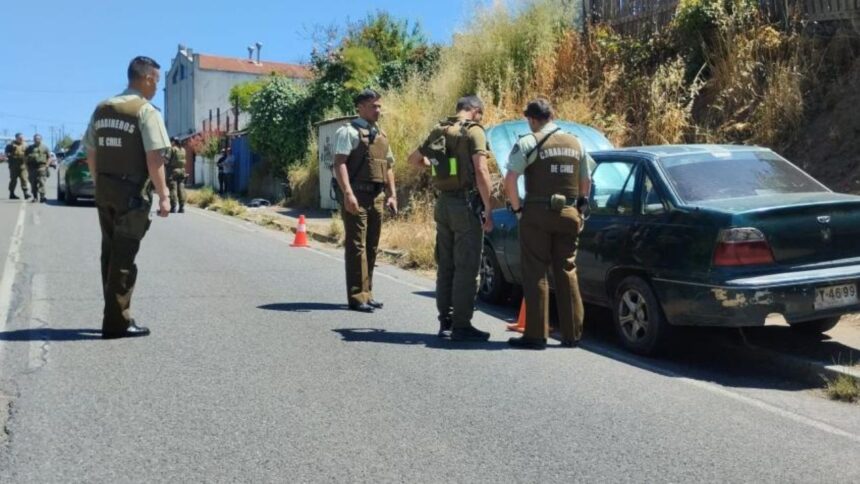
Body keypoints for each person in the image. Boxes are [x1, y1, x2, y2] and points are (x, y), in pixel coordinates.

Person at [83, 55, 172, 339]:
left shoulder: (102, 109)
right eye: (156, 81)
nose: (157, 87)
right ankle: (117, 323)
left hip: (105, 188)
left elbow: (91, 151)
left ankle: (113, 310)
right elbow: (155, 157)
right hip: (131, 193)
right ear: (146, 79)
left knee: (109, 252)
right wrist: (164, 195)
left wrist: (99, 182)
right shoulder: (145, 111)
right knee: (124, 257)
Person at [504, 98, 592, 350]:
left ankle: (536, 335)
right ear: (551, 116)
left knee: (535, 271)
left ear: (532, 119)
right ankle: (572, 334)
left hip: (537, 214)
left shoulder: (529, 142)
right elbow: (585, 181)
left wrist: (518, 208)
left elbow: (511, 181)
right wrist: (581, 205)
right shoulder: (576, 142)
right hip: (569, 213)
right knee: (566, 270)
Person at [407, 95, 494, 341]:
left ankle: (445, 320)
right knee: (466, 266)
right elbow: (481, 170)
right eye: (481, 114)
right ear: (475, 111)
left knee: (446, 265)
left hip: (443, 204)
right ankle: (462, 324)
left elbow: (413, 160)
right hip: (465, 206)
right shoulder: (474, 132)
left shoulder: (439, 130)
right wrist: (488, 209)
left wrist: (440, 167)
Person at [333, 89, 398, 313]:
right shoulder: (348, 132)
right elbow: (339, 163)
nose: (378, 110)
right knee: (356, 246)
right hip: (357, 195)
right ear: (360, 107)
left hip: (377, 196)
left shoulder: (380, 134)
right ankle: (357, 296)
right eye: (373, 106)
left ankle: (368, 293)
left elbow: (388, 166)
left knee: (371, 245)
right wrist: (348, 194)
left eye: (379, 106)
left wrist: (392, 194)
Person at [25, 134, 51, 203]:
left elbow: (49, 157)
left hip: (41, 167)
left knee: (42, 182)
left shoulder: (45, 147)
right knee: (33, 183)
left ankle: (42, 197)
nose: (37, 140)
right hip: (32, 168)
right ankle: (35, 197)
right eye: (35, 139)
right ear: (33, 139)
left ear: (41, 139)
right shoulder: (29, 148)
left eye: (38, 138)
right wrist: (26, 166)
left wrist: (46, 166)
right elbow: (25, 158)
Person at [4, 133, 31, 200]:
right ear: (16, 138)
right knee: (13, 180)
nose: (21, 139)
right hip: (13, 166)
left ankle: (26, 193)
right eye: (19, 138)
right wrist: (10, 154)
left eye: (22, 138)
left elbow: (29, 154)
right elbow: (7, 153)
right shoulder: (10, 145)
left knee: (24, 179)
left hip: (23, 166)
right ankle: (12, 193)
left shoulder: (26, 145)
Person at [166, 137, 187, 213]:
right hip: (182, 171)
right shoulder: (183, 150)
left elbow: (166, 159)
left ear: (174, 142)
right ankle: (182, 207)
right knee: (181, 189)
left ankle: (173, 207)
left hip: (173, 171)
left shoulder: (172, 149)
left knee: (173, 189)